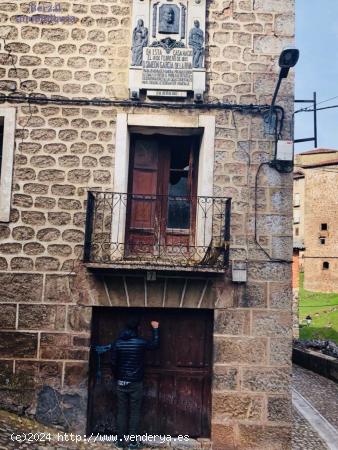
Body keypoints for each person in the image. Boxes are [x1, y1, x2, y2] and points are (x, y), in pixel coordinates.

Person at [111, 317, 160, 449]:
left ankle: (120, 442)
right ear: (137, 329)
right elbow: (155, 345)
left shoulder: (118, 343)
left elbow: (113, 363)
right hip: (135, 383)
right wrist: (155, 329)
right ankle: (133, 443)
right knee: (135, 412)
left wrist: (118, 377)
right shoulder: (140, 343)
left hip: (121, 382)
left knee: (121, 412)